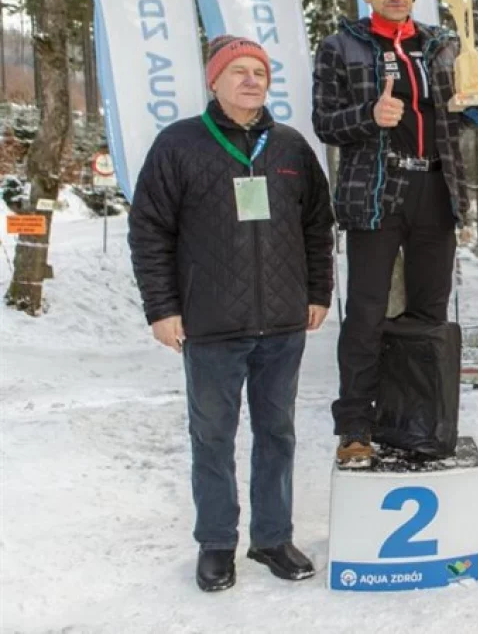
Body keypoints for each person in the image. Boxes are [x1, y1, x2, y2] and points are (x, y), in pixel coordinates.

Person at [129, 35, 334, 592]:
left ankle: (272, 538)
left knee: (278, 434)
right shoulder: (179, 146)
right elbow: (149, 230)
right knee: (213, 437)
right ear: (214, 81)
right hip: (210, 325)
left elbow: (319, 226)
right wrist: (162, 308)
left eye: (259, 73)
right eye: (238, 71)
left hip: (284, 325)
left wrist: (319, 291)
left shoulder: (291, 148)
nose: (251, 81)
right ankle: (216, 544)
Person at [312, 0, 478, 468]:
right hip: (375, 194)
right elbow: (325, 123)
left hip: (436, 189)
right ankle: (356, 428)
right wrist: (369, 115)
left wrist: (477, 110)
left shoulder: (442, 44)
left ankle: (418, 418)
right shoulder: (340, 46)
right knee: (366, 313)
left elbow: (460, 114)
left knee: (429, 314)